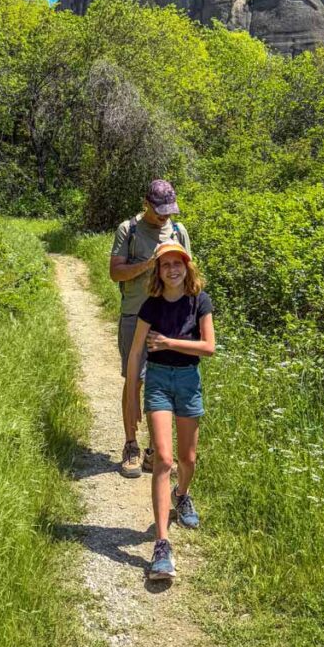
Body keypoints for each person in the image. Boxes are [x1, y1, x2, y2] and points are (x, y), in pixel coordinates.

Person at [125, 241, 215, 581]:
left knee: (188, 459)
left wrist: (169, 342)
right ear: (158, 271)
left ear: (187, 267)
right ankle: (162, 545)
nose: (173, 269)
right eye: (166, 265)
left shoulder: (200, 301)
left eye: (178, 263)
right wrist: (133, 395)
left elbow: (209, 348)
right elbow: (136, 354)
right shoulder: (151, 306)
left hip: (189, 381)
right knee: (164, 459)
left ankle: (182, 495)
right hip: (159, 381)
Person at [110, 180, 190, 478]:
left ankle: (154, 451)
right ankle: (131, 445)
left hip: (169, 318)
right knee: (135, 379)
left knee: (165, 383)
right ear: (146, 203)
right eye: (160, 212)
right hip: (134, 315)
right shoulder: (128, 230)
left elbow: (187, 271)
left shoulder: (178, 231)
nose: (164, 217)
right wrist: (148, 264)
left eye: (169, 212)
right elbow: (115, 272)